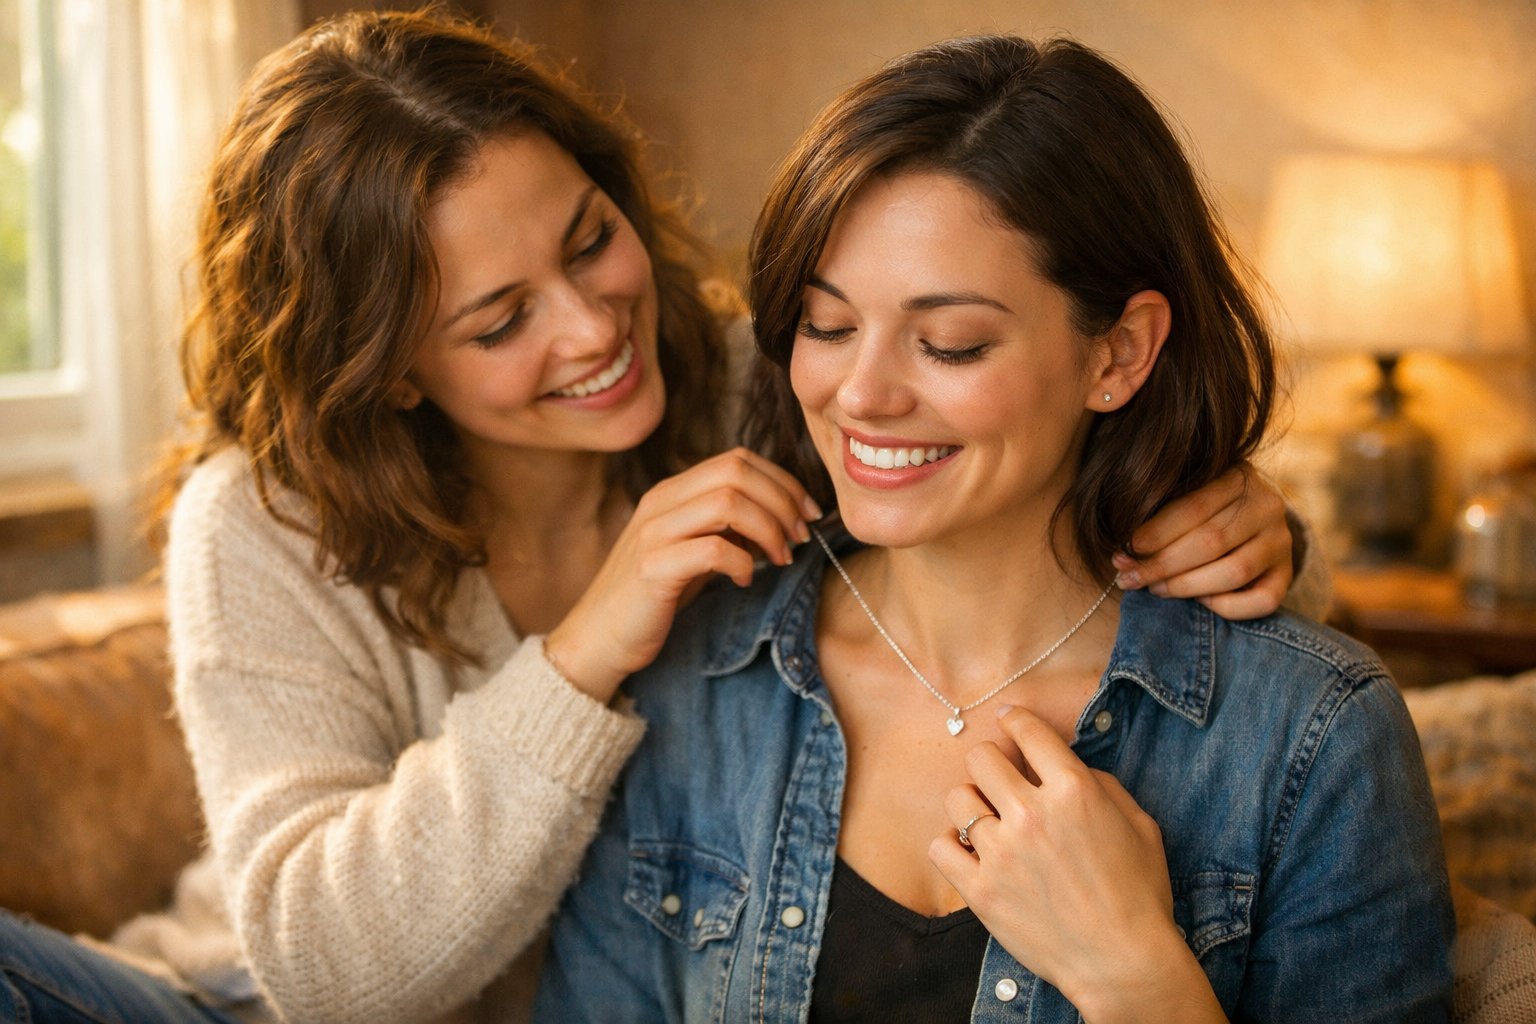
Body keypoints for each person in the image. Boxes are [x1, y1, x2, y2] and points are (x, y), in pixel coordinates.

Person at [0, 13, 1315, 1024]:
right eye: (500, 320)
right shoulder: (270, 517)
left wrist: (1205, 498)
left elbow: (1010, 469)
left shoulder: (761, 382)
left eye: (588, 238)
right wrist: (586, 649)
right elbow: (331, 978)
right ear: (388, 367)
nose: (592, 328)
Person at [535, 34, 1454, 1024]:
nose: (861, 394)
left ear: (1121, 353)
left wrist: (1136, 976)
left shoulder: (1313, 734)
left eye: (949, 343)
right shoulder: (702, 676)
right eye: (826, 324)